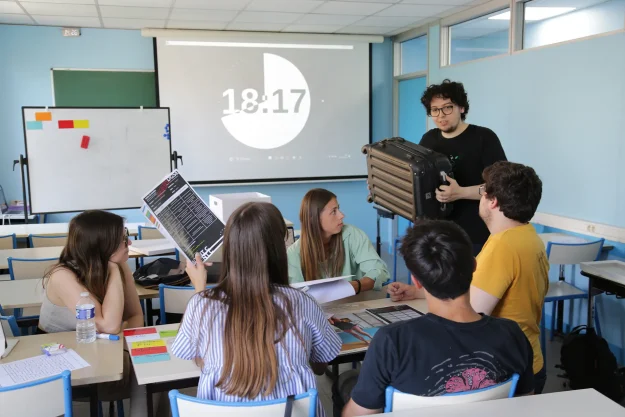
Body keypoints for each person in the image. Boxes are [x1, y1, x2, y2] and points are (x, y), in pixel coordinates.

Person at [340, 219, 535, 416]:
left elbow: (359, 414)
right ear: (474, 266)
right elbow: (526, 402)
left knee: (346, 384)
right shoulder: (512, 334)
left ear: (416, 281)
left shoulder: (392, 341)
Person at [388, 161, 549, 394]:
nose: (480, 197)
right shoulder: (528, 236)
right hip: (528, 360)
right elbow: (470, 291)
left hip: (500, 369)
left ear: (493, 201)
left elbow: (468, 314)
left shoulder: (503, 246)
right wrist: (419, 291)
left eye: (483, 191)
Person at [171, 202, 342, 417]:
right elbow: (321, 364)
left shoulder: (201, 305)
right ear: (279, 249)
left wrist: (200, 289)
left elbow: (196, 357)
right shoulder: (303, 302)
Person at [39, 210, 146, 415]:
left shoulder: (119, 265)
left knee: (153, 369)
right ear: (103, 246)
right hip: (64, 362)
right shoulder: (62, 275)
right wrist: (113, 269)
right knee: (145, 375)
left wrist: (118, 337)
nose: (130, 243)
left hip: (101, 351)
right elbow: (109, 326)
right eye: (124, 239)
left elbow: (136, 316)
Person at [420, 79, 507, 255]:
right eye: (434, 110)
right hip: (437, 235)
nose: (441, 115)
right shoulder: (428, 139)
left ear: (461, 108)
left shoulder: (484, 138)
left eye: (447, 107)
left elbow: (501, 187)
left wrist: (460, 192)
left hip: (475, 235)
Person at [288, 188, 390, 294]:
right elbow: (296, 295)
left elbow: (379, 272)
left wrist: (353, 287)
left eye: (338, 209)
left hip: (356, 301)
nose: (341, 215)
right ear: (313, 218)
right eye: (333, 211)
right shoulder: (293, 254)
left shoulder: (352, 235)